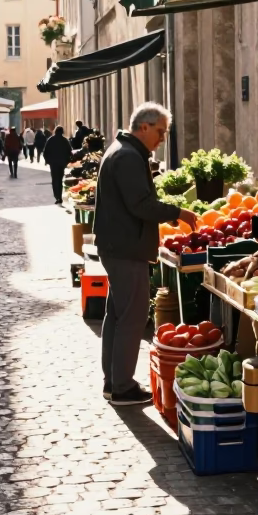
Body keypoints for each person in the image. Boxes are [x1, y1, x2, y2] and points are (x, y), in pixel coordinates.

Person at [94, 103, 197, 407]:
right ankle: (122, 386)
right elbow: (141, 205)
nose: (162, 138)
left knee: (117, 315)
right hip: (126, 248)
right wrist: (177, 212)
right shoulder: (127, 157)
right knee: (133, 317)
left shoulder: (124, 151)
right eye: (160, 131)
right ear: (143, 127)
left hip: (119, 246)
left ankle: (114, 381)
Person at [43, 126, 72, 204]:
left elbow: (45, 152)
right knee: (60, 179)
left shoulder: (50, 140)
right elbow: (70, 152)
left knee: (55, 180)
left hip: (53, 163)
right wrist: (67, 161)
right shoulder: (65, 140)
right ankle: (59, 195)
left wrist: (48, 161)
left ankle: (57, 196)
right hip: (62, 163)